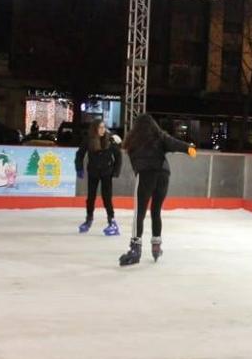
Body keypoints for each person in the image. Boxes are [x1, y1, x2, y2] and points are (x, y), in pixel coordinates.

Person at [119, 113, 196, 266]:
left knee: (139, 213)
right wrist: (188, 148)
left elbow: (124, 148)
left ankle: (135, 247)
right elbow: (173, 143)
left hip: (146, 174)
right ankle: (156, 245)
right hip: (163, 174)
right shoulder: (159, 136)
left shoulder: (134, 140)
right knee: (156, 211)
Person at [75, 118, 123, 236]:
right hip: (93, 172)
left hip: (107, 172)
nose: (103, 130)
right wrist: (79, 167)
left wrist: (116, 171)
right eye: (100, 127)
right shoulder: (89, 140)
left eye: (104, 127)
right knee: (91, 197)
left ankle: (111, 221)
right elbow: (79, 154)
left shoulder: (110, 140)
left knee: (107, 197)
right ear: (95, 129)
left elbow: (118, 155)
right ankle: (89, 219)